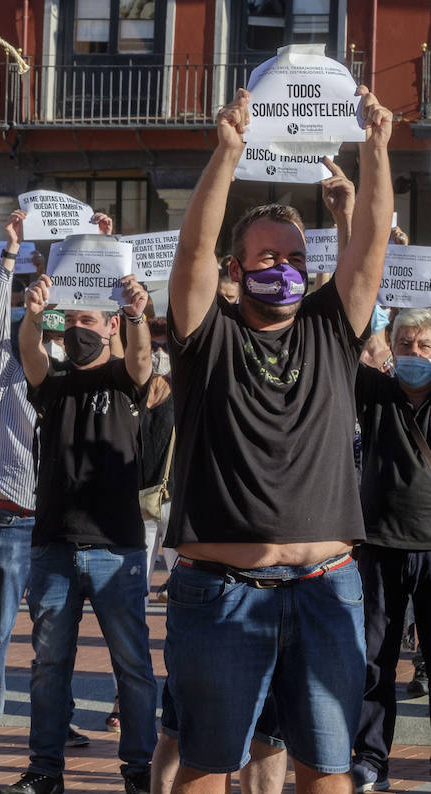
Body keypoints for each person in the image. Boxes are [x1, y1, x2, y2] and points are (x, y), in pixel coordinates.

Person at [163, 85, 393, 792]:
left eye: (295, 256)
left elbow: (372, 241)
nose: (284, 268)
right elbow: (197, 247)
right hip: (221, 595)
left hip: (328, 591)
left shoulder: (331, 324)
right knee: (207, 764)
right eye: (266, 257)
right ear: (237, 271)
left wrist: (378, 151)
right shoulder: (208, 335)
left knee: (327, 769)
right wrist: (227, 154)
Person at [0, 271, 156, 794]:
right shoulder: (54, 384)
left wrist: (137, 316)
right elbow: (30, 351)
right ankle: (45, 769)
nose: (77, 330)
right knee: (48, 666)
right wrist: (37, 312)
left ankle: (139, 768)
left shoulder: (126, 379)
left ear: (110, 325)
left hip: (117, 548)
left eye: (88, 320)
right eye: (70, 322)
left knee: (132, 666)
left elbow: (141, 360)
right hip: (55, 547)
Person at [0, 209, 109, 750]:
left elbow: (104, 322)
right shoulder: (6, 375)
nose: (48, 330)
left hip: (61, 525)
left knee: (55, 637)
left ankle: (54, 721)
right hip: (16, 518)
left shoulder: (75, 376)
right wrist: (9, 257)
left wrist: (100, 252)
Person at [351, 309, 431, 791]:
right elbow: (340, 349)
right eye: (406, 345)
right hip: (380, 545)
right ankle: (372, 759)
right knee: (374, 660)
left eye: (425, 346)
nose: (415, 354)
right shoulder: (376, 392)